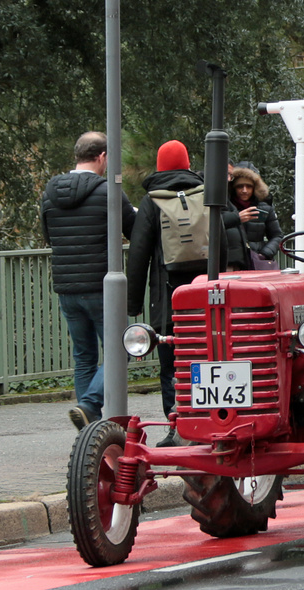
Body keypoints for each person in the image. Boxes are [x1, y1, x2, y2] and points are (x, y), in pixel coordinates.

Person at [41, 131, 136, 430]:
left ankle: (88, 428)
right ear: (103, 157)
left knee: (83, 355)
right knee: (123, 348)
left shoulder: (50, 192)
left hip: (67, 286)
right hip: (101, 285)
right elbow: (134, 230)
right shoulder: (109, 191)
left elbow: (48, 236)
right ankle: (90, 404)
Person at [127, 140, 205, 426]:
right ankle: (212, 417)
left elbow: (138, 254)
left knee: (170, 365)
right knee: (209, 357)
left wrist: (133, 304)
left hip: (168, 300)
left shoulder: (152, 201)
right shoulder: (206, 193)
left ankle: (176, 424)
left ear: (159, 166)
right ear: (187, 163)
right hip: (207, 296)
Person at [224, 161, 282, 271]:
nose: (244, 190)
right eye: (240, 186)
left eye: (249, 186)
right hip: (234, 263)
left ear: (255, 188)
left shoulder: (265, 208)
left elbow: (277, 235)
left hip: (258, 262)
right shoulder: (226, 207)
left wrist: (265, 254)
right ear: (233, 188)